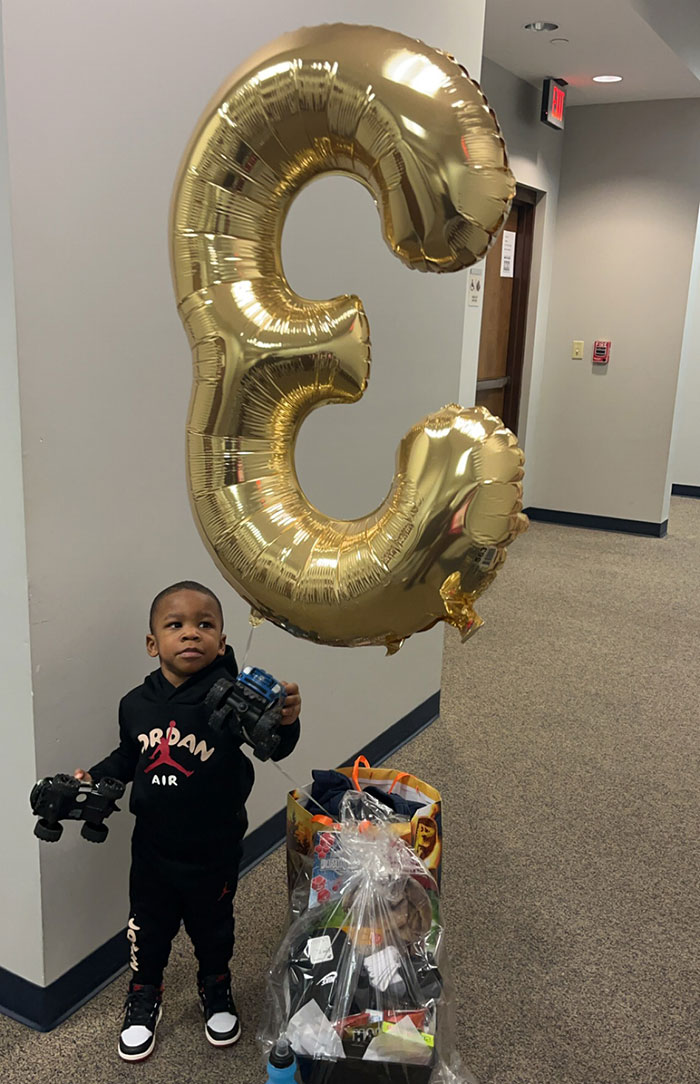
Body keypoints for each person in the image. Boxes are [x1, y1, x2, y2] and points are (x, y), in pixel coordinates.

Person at [74, 580, 301, 1062]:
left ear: (221, 641)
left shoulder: (231, 701)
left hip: (213, 848)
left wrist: (285, 722)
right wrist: (92, 778)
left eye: (205, 624)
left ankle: (216, 986)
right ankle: (144, 993)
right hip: (153, 850)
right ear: (154, 643)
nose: (191, 634)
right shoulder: (135, 704)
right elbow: (126, 756)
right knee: (149, 929)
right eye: (175, 625)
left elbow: (275, 749)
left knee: (213, 926)